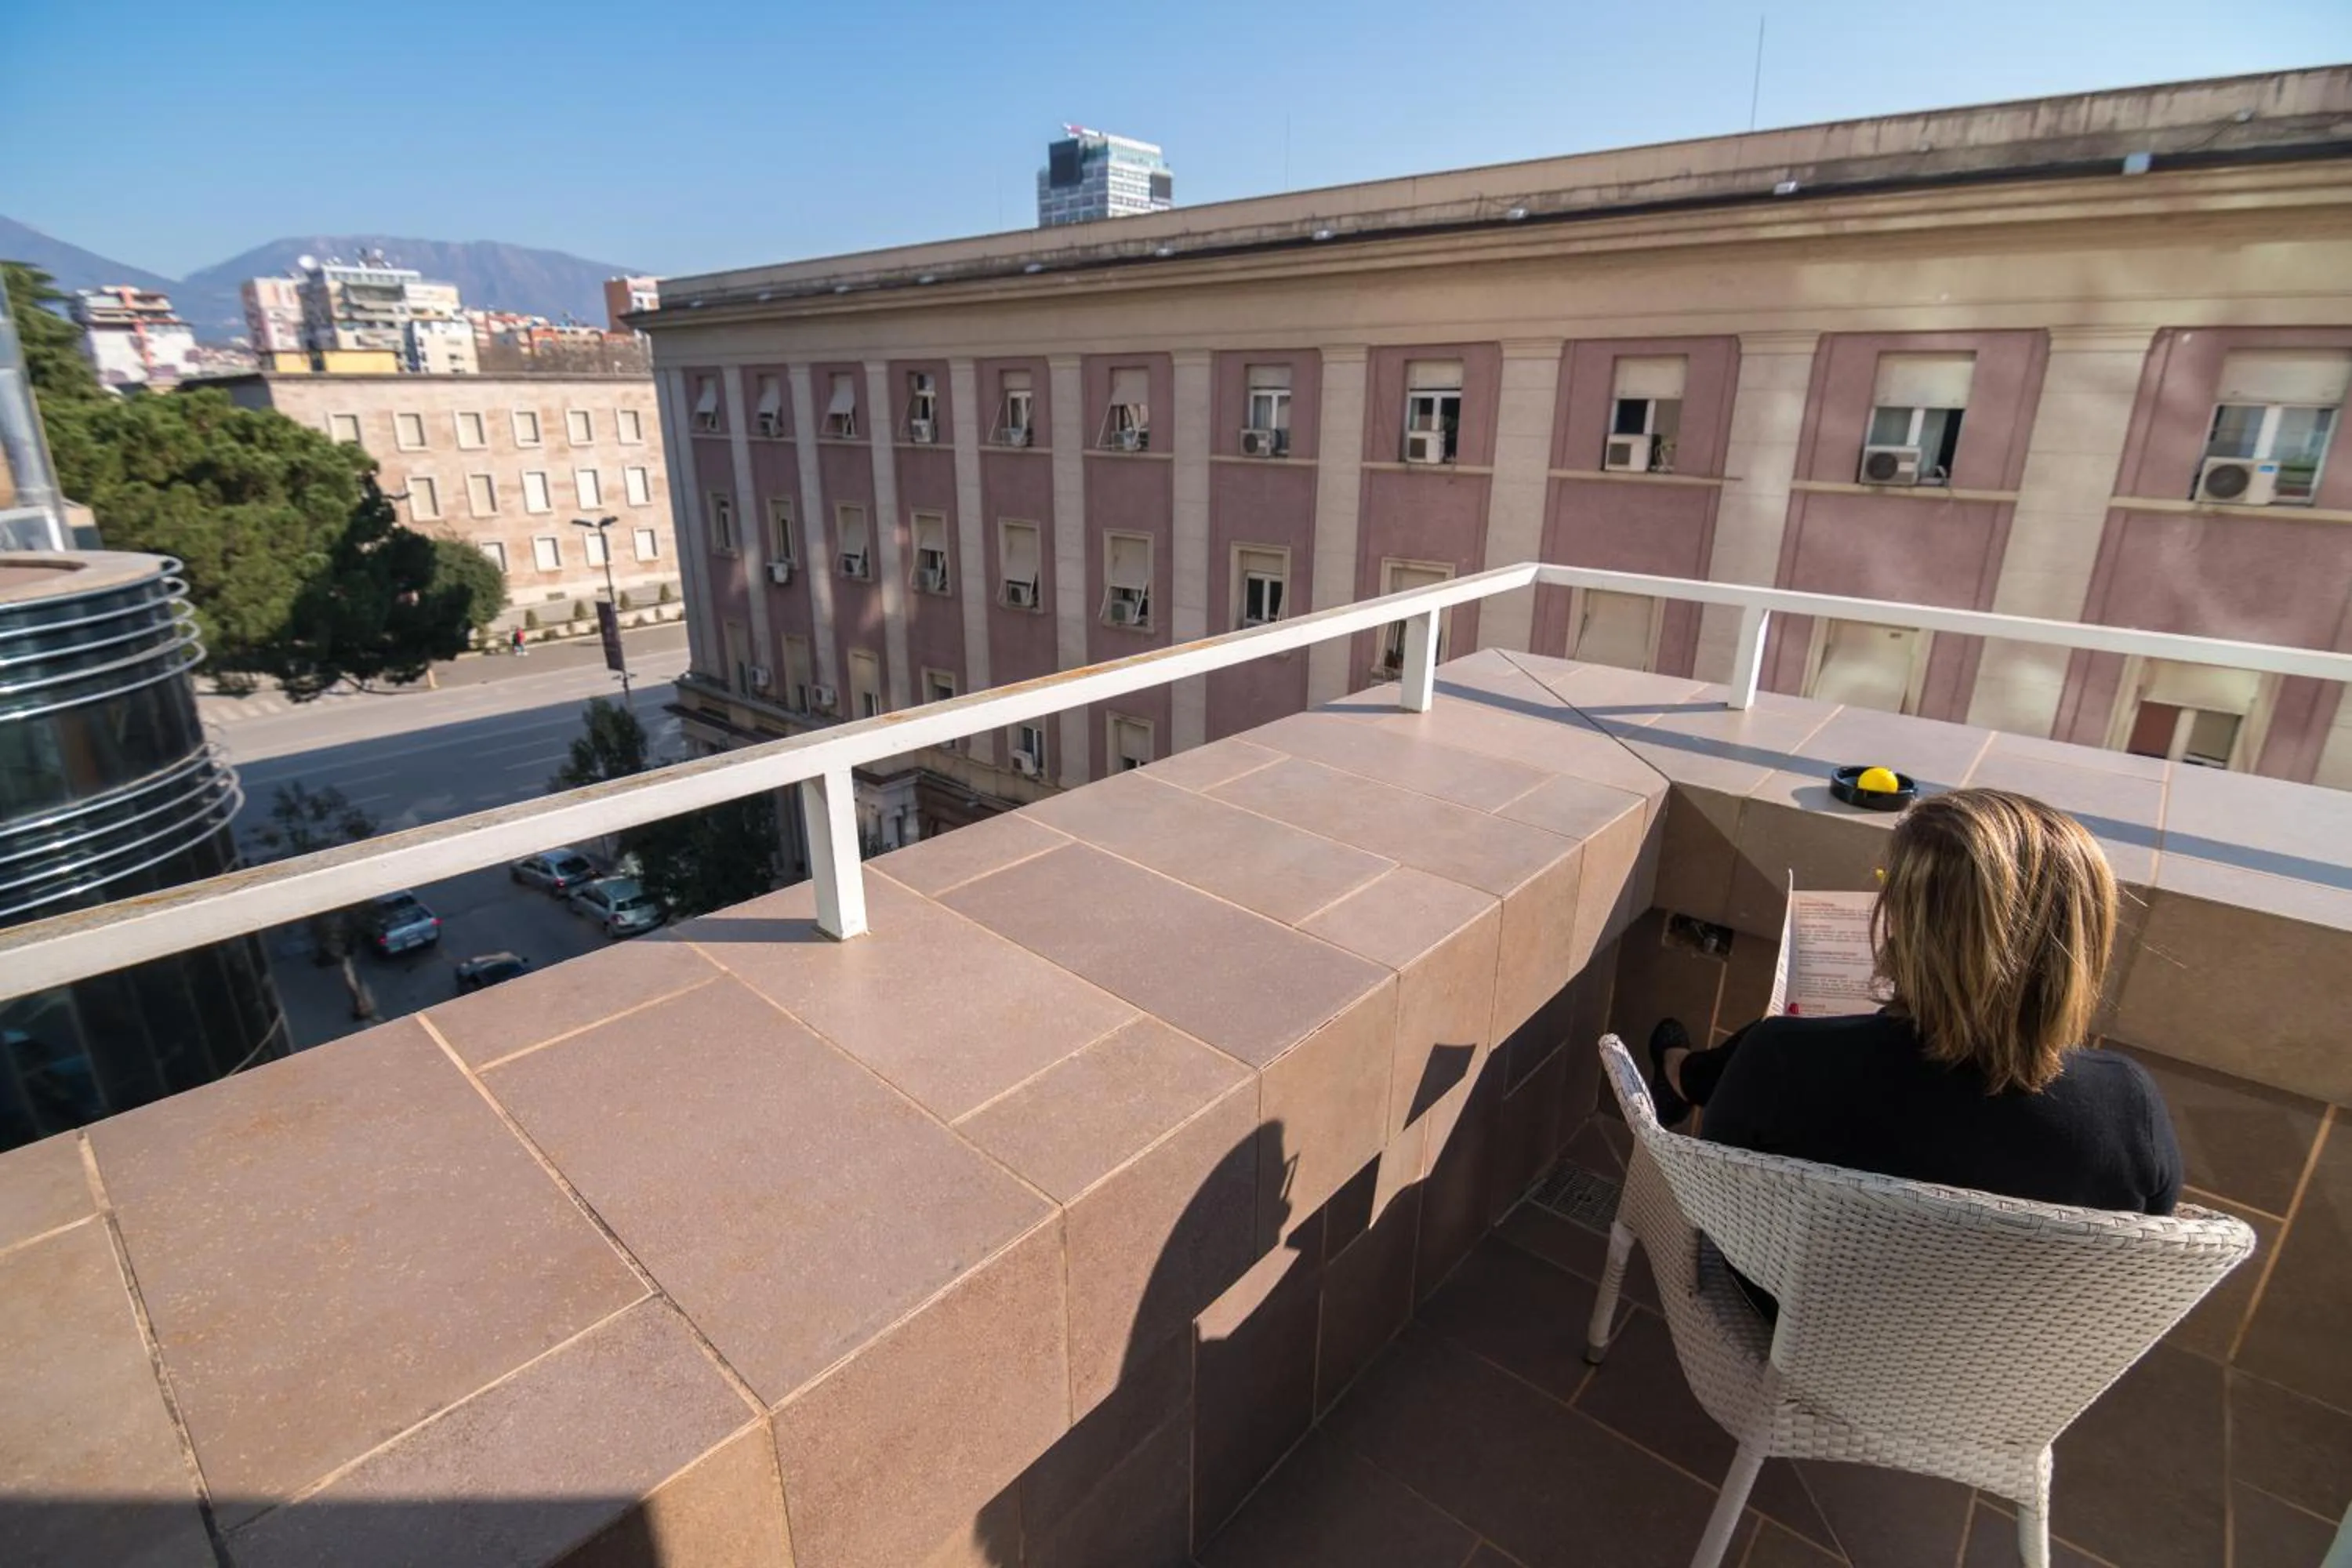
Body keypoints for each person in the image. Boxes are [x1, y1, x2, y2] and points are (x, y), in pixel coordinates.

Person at [1649, 789, 2181, 1250]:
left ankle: (1680, 1073)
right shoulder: (2132, 1109)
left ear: (1920, 926)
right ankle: (1685, 1074)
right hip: (1996, 1338)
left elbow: (1712, 1198)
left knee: (1767, 1052)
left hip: (1779, 1313)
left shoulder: (1786, 1058)